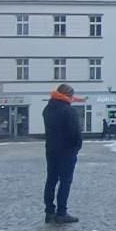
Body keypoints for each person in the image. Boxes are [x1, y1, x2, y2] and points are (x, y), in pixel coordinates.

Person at [42, 84, 82, 223]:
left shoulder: (47, 109)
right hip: (67, 151)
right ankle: (61, 212)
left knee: (51, 180)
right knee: (65, 181)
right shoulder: (68, 111)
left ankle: (49, 211)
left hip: (51, 149)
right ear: (68, 95)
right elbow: (75, 132)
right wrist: (76, 147)